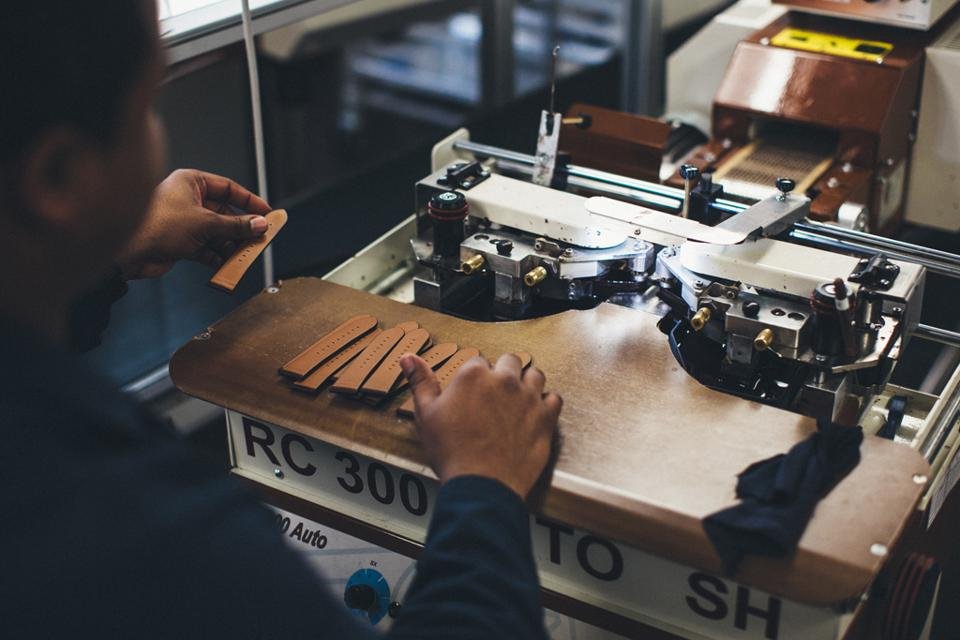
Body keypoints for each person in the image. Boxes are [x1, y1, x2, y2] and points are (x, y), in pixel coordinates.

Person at [0, 2, 562, 638]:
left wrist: (100, 258)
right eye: (147, 106)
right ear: (57, 177)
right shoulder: (134, 528)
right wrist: (485, 484)